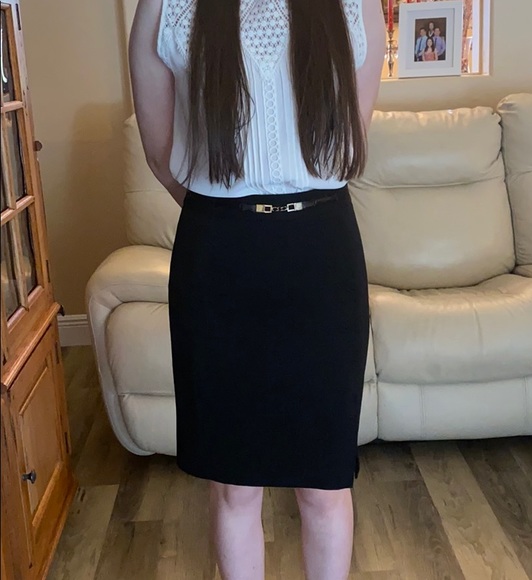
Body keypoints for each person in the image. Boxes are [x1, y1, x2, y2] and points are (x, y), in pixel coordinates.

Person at [129, 1, 385, 579]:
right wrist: (230, 208)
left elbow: (353, 134)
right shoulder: (166, 6)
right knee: (233, 485)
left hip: (322, 258)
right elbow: (161, 153)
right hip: (218, 261)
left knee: (324, 484)